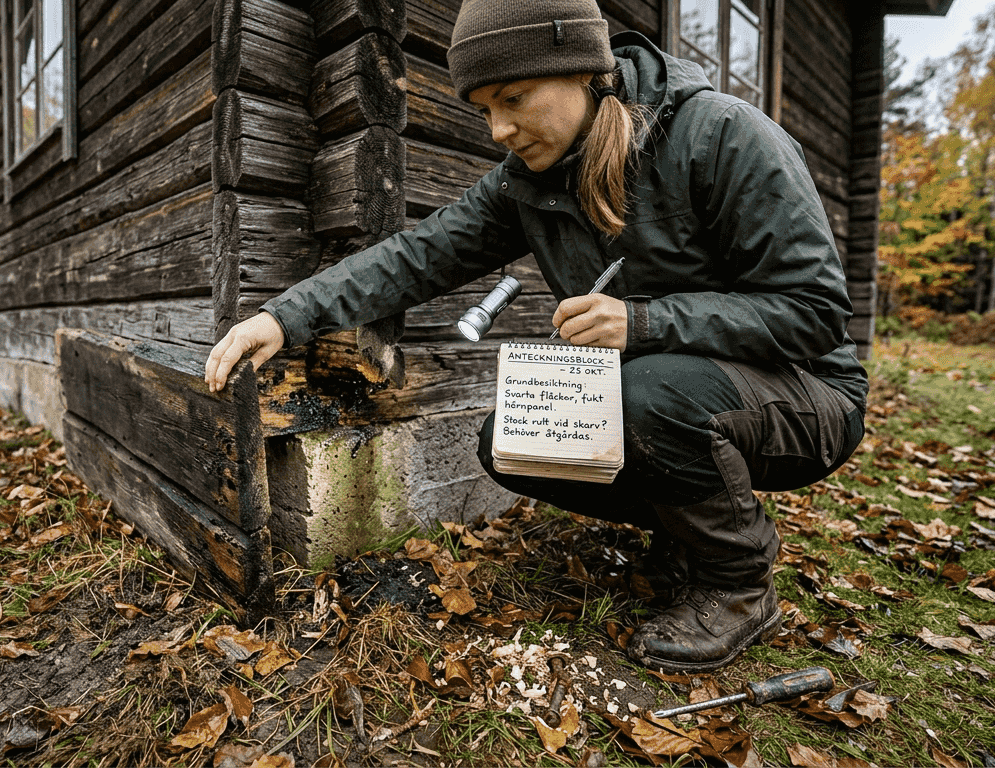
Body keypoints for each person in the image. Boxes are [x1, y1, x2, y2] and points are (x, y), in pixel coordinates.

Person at [205, 0, 867, 673]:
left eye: (514, 98)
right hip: (682, 393)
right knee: (515, 442)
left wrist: (643, 323)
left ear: (583, 72)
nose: (498, 129)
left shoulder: (722, 134)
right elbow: (415, 257)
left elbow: (812, 313)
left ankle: (739, 583)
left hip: (810, 394)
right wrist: (282, 315)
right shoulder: (528, 182)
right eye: (484, 108)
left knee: (646, 399)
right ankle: (690, 530)